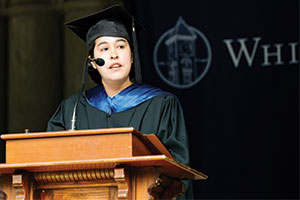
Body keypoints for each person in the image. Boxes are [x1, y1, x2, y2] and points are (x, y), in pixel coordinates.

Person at [47, 4, 193, 199]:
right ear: (93, 61)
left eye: (121, 46)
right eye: (104, 48)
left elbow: (178, 174)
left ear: (132, 56)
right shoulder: (71, 110)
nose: (114, 54)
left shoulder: (161, 105)